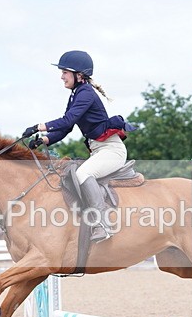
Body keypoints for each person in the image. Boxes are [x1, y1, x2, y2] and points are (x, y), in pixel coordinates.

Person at [23, 50, 133, 242]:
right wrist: (44, 140)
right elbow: (66, 129)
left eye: (65, 72)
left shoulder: (86, 94)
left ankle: (102, 225)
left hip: (111, 151)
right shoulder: (77, 94)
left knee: (83, 174)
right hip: (100, 150)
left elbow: (68, 120)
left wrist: (39, 127)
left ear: (79, 75)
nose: (62, 76)